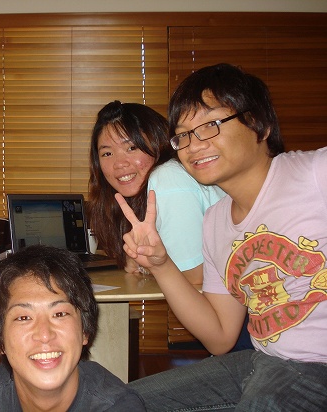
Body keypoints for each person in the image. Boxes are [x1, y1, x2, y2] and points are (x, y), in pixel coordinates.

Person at [120, 63, 327, 410]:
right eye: (183, 135)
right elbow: (219, 336)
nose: (193, 145)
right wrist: (160, 264)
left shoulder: (315, 174)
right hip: (262, 361)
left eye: (210, 125)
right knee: (121, 401)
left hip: (317, 366)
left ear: (259, 124)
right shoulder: (216, 221)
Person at [0, 244, 145, 411]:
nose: (44, 335)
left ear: (85, 331)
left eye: (59, 314)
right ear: (0, 341)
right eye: (23, 317)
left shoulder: (118, 406)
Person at [86, 101, 225, 285]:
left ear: (158, 143)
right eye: (107, 154)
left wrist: (147, 266)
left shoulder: (168, 177)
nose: (119, 164)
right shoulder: (140, 197)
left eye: (132, 148)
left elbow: (195, 275)